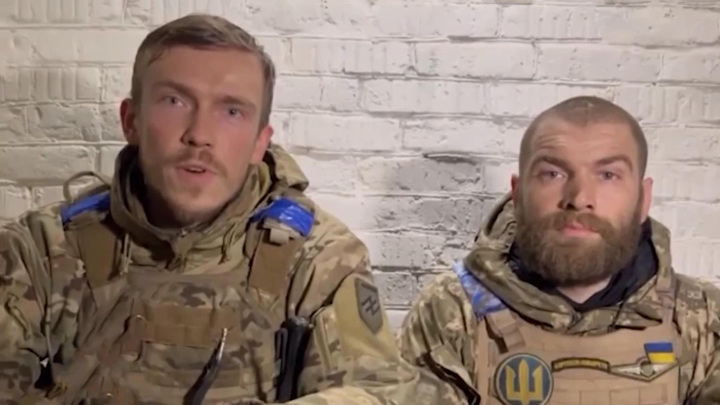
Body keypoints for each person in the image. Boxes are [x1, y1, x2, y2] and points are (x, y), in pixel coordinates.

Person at [0, 13, 423, 405]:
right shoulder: (43, 249)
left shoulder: (318, 259)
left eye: (232, 111)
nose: (200, 134)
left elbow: (378, 391)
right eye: (174, 101)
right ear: (131, 120)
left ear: (260, 142)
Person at [397, 96, 720, 405]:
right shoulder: (453, 310)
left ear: (643, 199)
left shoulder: (701, 318)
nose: (579, 198)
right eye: (553, 174)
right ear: (518, 194)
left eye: (608, 175)